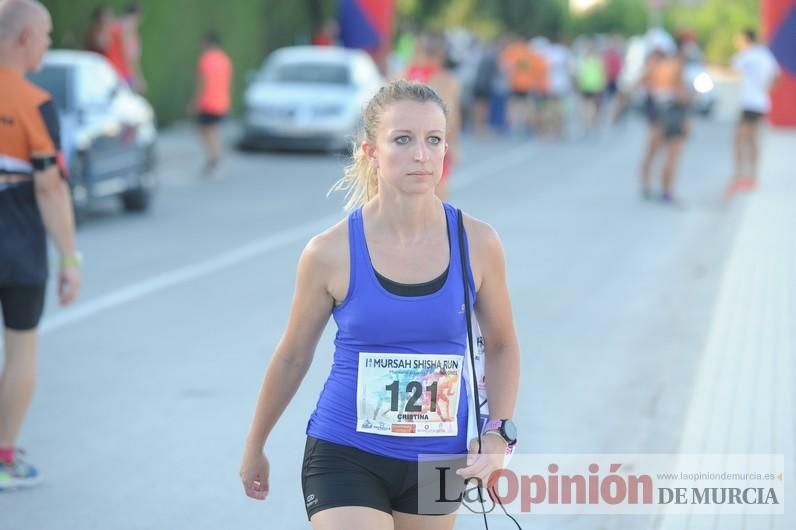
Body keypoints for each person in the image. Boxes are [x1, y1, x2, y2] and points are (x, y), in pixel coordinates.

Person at [240, 80, 520, 529]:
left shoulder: (478, 243)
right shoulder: (329, 252)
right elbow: (293, 354)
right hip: (345, 451)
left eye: (433, 140)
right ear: (370, 151)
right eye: (403, 139)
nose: (421, 154)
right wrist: (256, 444)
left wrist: (497, 435)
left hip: (439, 459)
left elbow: (503, 345)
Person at [0, 0, 81, 491]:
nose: (48, 45)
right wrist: (69, 257)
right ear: (25, 37)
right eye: (47, 34)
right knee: (21, 350)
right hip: (19, 247)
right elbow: (50, 189)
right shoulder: (33, 103)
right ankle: (4, 456)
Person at [404, 33, 461, 201]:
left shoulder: (403, 76)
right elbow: (452, 114)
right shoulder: (445, 79)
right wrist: (454, 145)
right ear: (441, 55)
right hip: (433, 141)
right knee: (438, 199)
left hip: (406, 141)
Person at [725, 28, 780, 197]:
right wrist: (766, 89)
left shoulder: (745, 55)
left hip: (749, 103)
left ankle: (740, 176)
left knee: (740, 140)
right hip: (760, 102)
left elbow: (732, 71)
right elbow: (777, 75)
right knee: (752, 139)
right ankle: (752, 177)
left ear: (744, 39)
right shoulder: (764, 54)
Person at [639, 41, 692, 204]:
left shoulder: (655, 69)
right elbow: (682, 95)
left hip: (658, 112)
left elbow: (640, 85)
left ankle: (647, 185)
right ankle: (667, 191)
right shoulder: (676, 68)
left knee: (652, 151)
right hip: (673, 112)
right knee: (672, 155)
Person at [192, 31, 232, 175]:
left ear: (208, 43)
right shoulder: (225, 59)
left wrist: (195, 101)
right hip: (222, 101)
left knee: (206, 130)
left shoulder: (206, 59)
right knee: (212, 130)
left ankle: (214, 158)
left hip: (207, 101)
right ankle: (215, 158)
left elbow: (202, 83)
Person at [104, 2, 144, 92]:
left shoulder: (115, 25)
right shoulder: (128, 30)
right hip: (120, 73)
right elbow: (128, 56)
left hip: (108, 66)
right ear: (136, 16)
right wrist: (135, 78)